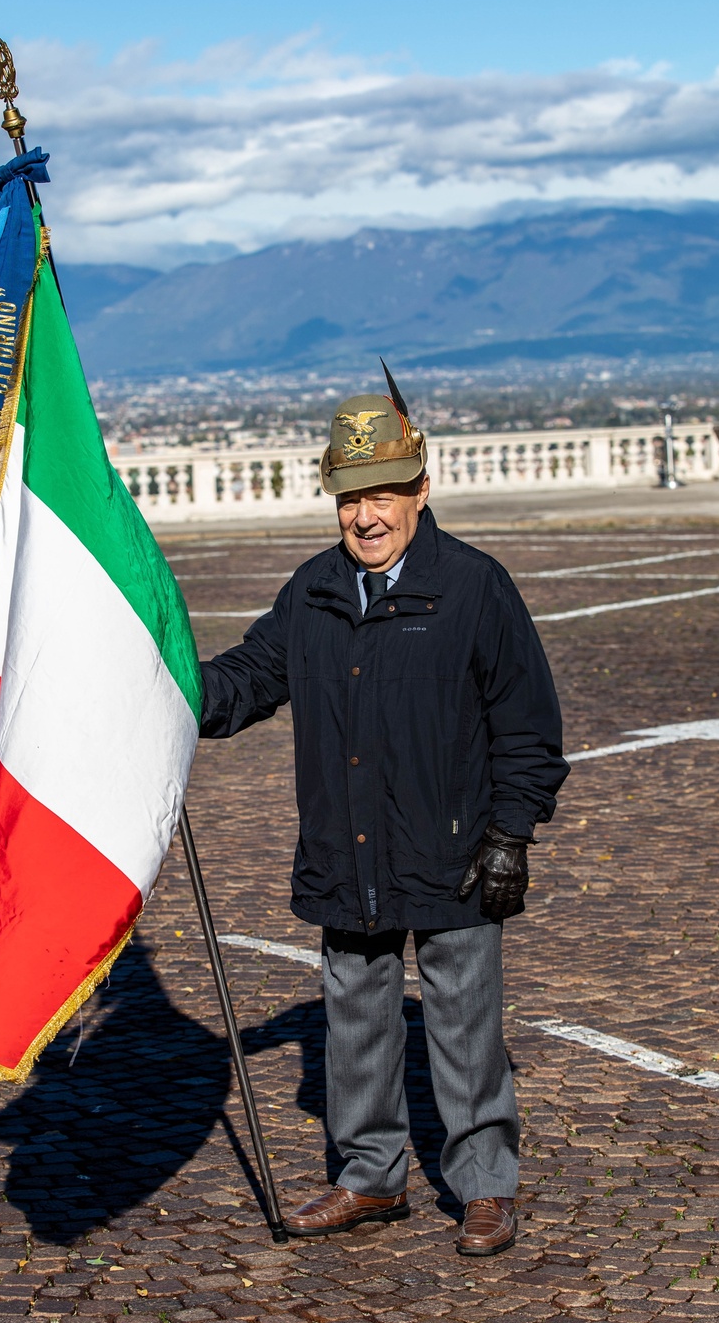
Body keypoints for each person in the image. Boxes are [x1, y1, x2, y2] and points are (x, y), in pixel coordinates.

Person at [199, 368, 568, 1256]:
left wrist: (511, 835)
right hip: (344, 849)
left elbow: (529, 726)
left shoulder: (476, 587)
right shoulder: (314, 591)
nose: (364, 516)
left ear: (421, 490)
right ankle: (369, 1178)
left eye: (383, 495)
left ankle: (485, 1187)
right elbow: (247, 681)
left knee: (465, 1027)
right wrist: (167, 682)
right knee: (355, 1021)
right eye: (347, 497)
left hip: (452, 850)